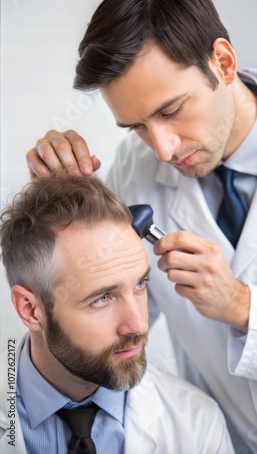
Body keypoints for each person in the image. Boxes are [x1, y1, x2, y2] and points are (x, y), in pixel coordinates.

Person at [25, 0, 257, 453]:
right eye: (136, 127)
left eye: (171, 110)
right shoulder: (136, 170)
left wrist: (242, 306)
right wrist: (56, 190)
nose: (164, 148)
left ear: (223, 62)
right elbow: (92, 288)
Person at [0, 173, 234, 454]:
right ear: (31, 310)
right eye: (102, 298)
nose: (138, 324)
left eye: (139, 284)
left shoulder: (197, 425)